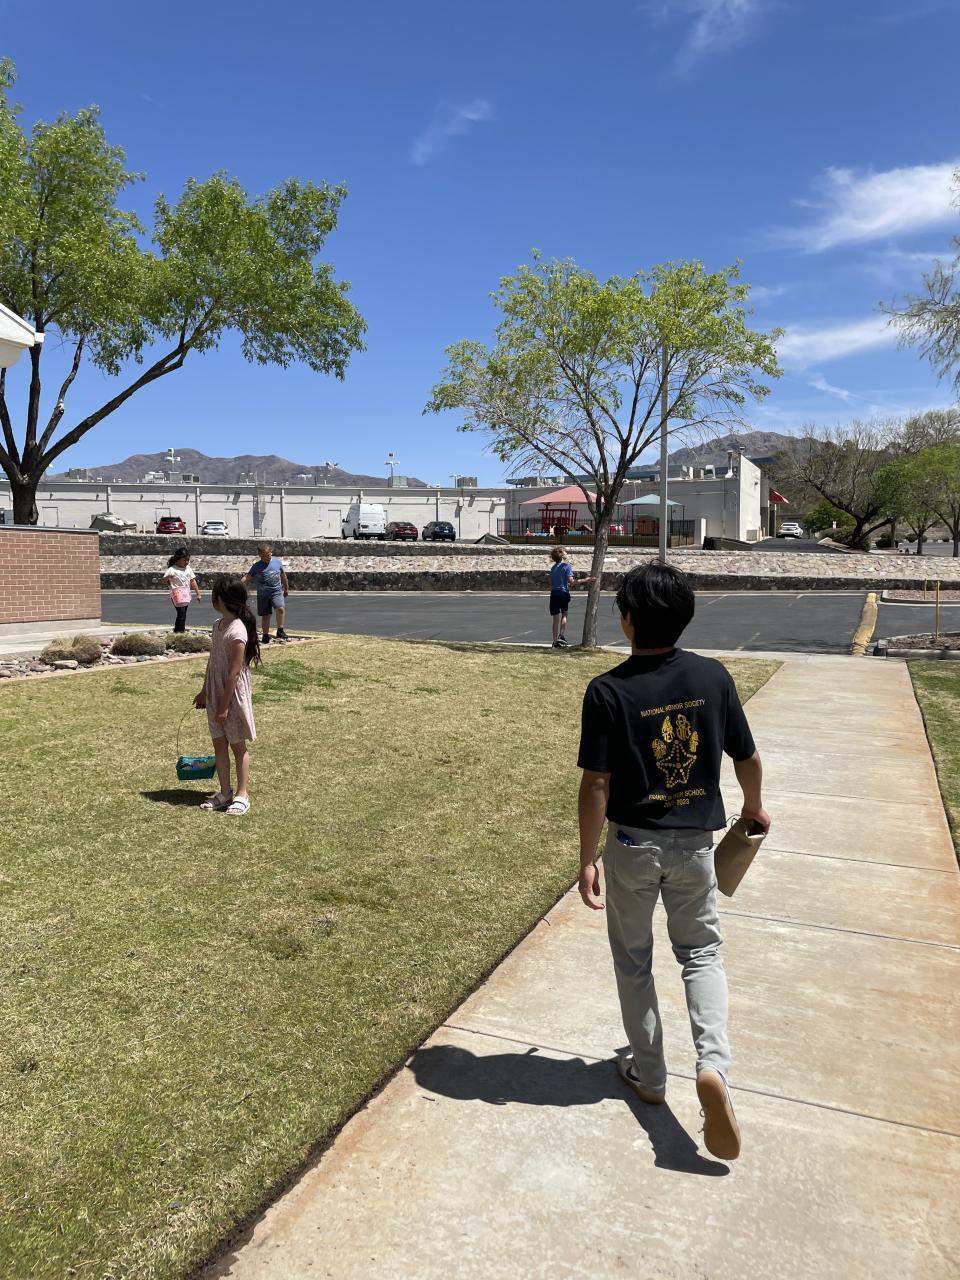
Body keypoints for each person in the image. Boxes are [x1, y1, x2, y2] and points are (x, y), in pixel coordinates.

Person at [576, 561, 770, 1161]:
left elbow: (597, 784)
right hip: (694, 846)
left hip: (633, 846)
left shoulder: (607, 690)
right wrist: (754, 807)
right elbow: (746, 756)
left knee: (634, 960)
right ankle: (713, 1066)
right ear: (684, 617)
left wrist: (587, 859)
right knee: (701, 953)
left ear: (628, 622)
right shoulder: (712, 677)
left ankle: (651, 1074)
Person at [193, 577, 260, 817]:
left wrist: (223, 706)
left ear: (221, 599)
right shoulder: (218, 625)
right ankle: (224, 793)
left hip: (232, 696)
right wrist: (205, 691)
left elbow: (234, 673)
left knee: (237, 745)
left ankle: (242, 794)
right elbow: (213, 661)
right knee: (219, 743)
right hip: (215, 691)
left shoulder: (237, 630)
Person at [243, 543, 289, 644]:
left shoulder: (277, 563)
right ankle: (265, 635)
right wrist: (238, 585)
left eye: (267, 555)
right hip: (263, 595)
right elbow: (247, 578)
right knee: (266, 615)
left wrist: (286, 588)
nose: (266, 558)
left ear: (271, 553)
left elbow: (283, 576)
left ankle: (280, 630)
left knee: (280, 608)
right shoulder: (257, 566)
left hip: (276, 591)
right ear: (259, 555)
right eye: (263, 556)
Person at [548, 546, 594, 648]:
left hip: (554, 594)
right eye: (565, 552)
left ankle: (554, 642)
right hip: (563, 593)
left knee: (555, 619)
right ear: (562, 555)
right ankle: (561, 635)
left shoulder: (553, 568)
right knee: (564, 614)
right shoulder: (566, 566)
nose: (566, 553)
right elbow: (572, 582)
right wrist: (586, 579)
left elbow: (551, 583)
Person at [162, 547, 201, 633]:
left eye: (188, 560)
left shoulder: (188, 569)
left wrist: (198, 594)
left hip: (185, 594)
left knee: (183, 614)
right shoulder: (172, 569)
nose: (186, 562)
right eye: (184, 560)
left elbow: (193, 581)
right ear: (178, 559)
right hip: (177, 595)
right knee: (181, 613)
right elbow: (164, 580)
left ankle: (177, 630)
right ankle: (180, 631)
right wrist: (168, 577)